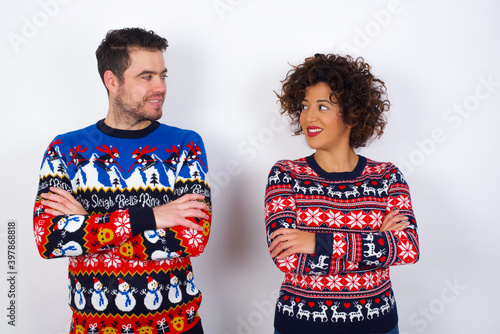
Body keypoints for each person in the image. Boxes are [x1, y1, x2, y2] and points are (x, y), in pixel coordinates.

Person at [33, 28, 211, 334]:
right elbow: (49, 240)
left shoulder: (185, 144)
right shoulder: (65, 149)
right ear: (112, 81)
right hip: (93, 328)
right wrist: (151, 217)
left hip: (177, 327)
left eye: (163, 75)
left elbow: (193, 238)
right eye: (146, 77)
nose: (160, 87)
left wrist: (88, 228)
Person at [265, 53, 419, 334]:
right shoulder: (285, 174)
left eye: (322, 106)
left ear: (352, 113)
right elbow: (286, 257)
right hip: (300, 325)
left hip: (377, 326)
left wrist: (316, 242)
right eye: (304, 105)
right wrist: (376, 242)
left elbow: (407, 248)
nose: (308, 116)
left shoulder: (387, 176)